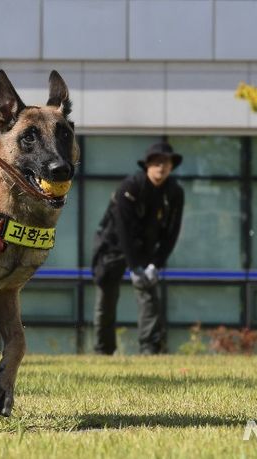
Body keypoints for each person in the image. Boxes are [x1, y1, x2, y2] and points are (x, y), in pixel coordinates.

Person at [91, 141, 184, 355]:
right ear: (147, 165)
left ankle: (149, 348)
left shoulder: (174, 192)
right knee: (106, 295)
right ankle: (103, 350)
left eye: (166, 162)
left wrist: (155, 264)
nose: (162, 167)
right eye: (157, 162)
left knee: (148, 293)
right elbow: (122, 228)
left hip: (145, 247)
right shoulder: (130, 186)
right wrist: (134, 267)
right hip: (113, 244)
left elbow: (172, 232)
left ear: (171, 166)